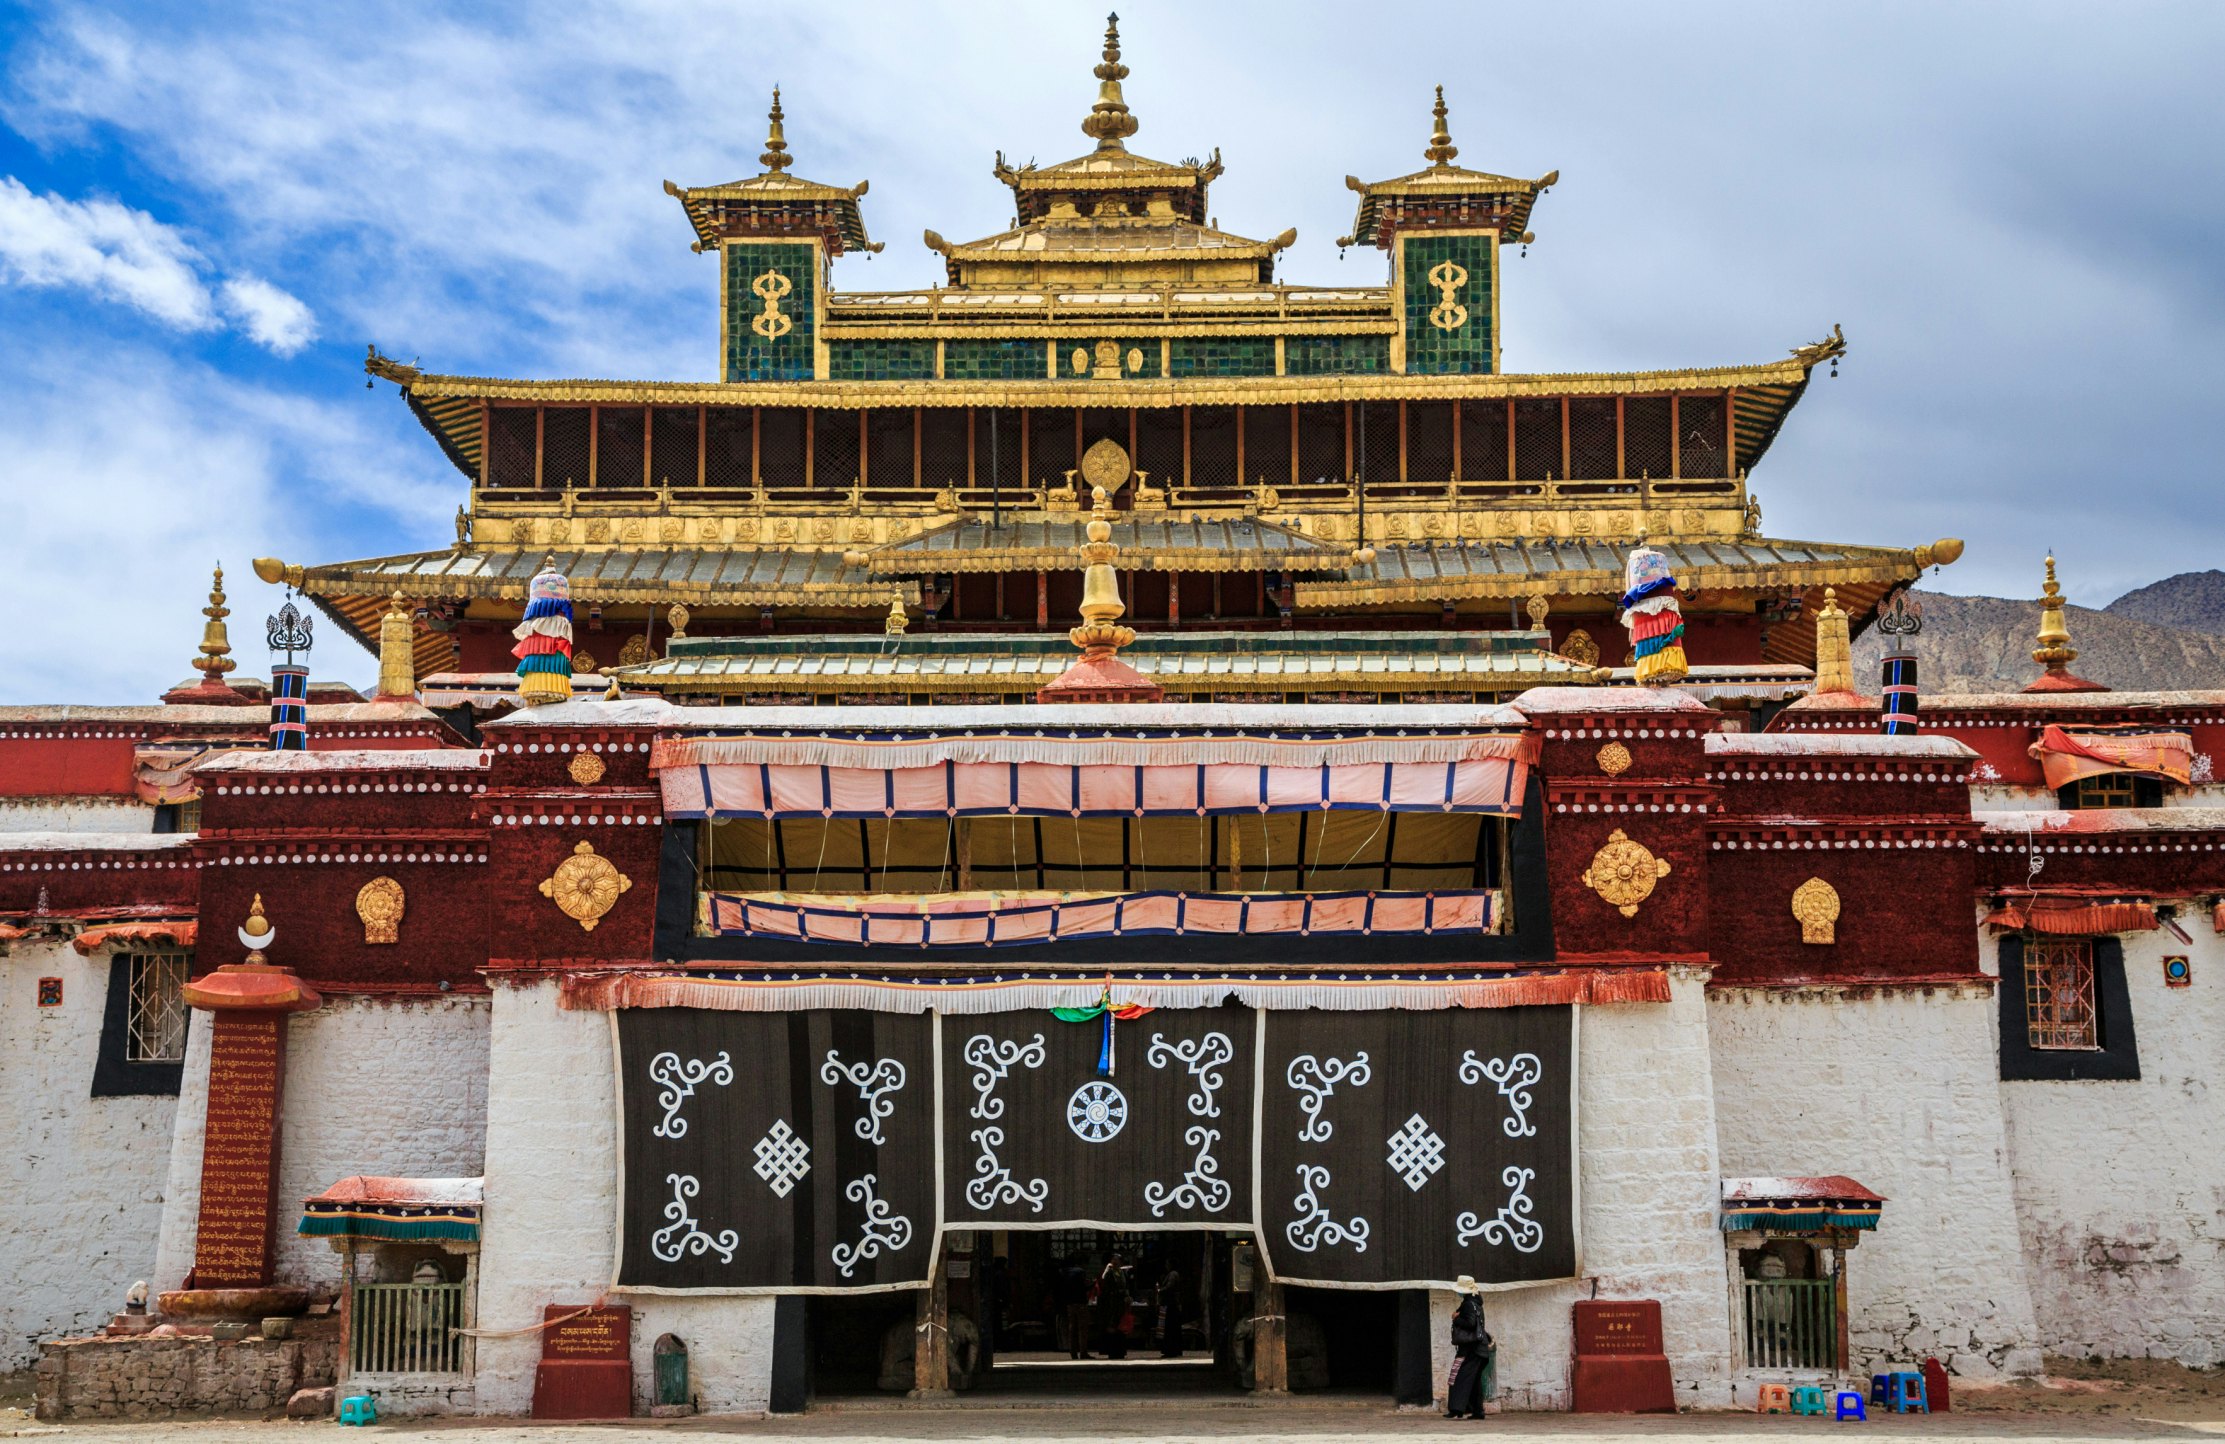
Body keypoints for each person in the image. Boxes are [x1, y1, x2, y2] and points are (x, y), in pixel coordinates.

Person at [1446, 1275, 1495, 1420]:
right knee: (1474, 1382)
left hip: (1471, 1349)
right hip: (1479, 1349)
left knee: (1458, 1378)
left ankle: (1457, 1409)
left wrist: (1456, 1318)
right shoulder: (1476, 1303)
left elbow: (1471, 1323)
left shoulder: (1468, 1304)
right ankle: (1477, 1411)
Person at [1054, 1255, 1091, 1360]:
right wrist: (1092, 1285)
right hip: (1080, 1302)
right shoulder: (1080, 1272)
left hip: (1069, 1303)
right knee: (1082, 1328)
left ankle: (1073, 1352)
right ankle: (1083, 1352)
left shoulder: (1063, 1272)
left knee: (1072, 1327)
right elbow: (1084, 1286)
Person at [1155, 1263, 1185, 1358]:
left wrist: (1160, 1290)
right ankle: (1174, 1349)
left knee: (1169, 1328)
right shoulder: (1173, 1274)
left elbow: (1170, 1286)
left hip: (1170, 1304)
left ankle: (1170, 1350)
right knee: (1173, 1328)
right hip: (1171, 1304)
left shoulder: (1172, 1274)